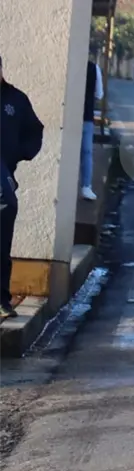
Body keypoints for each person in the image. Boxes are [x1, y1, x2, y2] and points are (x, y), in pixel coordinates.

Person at [0, 55, 45, 319]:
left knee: (1, 246)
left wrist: (18, 153)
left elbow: (35, 130)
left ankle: (1, 300)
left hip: (3, 179)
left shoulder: (15, 100)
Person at [80, 57, 103, 202]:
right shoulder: (94, 68)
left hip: (69, 115)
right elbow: (99, 94)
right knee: (86, 152)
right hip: (87, 116)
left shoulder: (70, 64)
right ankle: (86, 186)